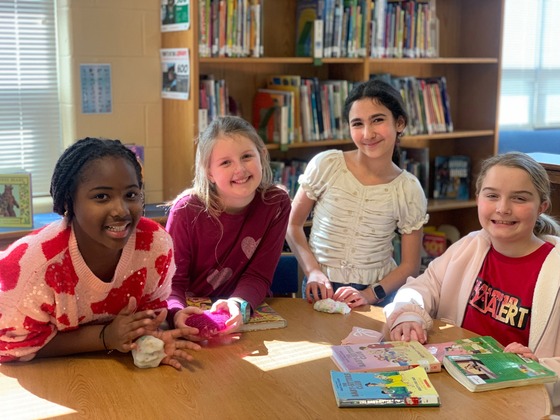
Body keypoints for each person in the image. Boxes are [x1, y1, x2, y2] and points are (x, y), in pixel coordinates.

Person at [0, 137, 202, 369]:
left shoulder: (155, 246)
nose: (121, 210)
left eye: (131, 195)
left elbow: (146, 319)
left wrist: (147, 340)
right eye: (101, 197)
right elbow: (12, 347)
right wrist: (105, 337)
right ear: (69, 201)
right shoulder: (35, 266)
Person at [384, 151, 560, 409]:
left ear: (541, 206)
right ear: (478, 199)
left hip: (516, 403)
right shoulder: (469, 246)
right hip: (452, 391)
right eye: (492, 196)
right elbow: (423, 286)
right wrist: (408, 313)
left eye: (519, 198)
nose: (502, 208)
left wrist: (533, 368)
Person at [286, 79, 428, 308]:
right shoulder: (327, 165)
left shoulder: (408, 189)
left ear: (399, 123)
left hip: (375, 295)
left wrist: (370, 295)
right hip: (320, 288)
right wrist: (312, 271)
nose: (367, 133)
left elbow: (410, 266)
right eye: (357, 124)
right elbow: (292, 225)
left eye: (378, 120)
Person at [166, 116, 291, 333]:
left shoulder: (276, 203)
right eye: (226, 162)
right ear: (209, 173)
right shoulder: (186, 211)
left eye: (246, 156)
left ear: (261, 156)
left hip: (241, 313)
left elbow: (259, 275)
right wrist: (176, 313)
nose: (240, 169)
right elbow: (172, 283)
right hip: (190, 317)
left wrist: (237, 304)